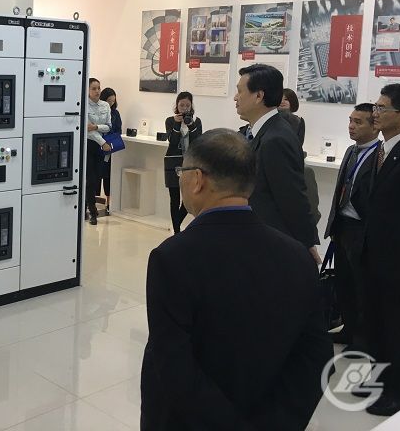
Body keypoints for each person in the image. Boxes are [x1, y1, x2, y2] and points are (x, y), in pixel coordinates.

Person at [140, 129, 332, 430]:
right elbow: (316, 355)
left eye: (182, 171)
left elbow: (172, 362)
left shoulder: (173, 258)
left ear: (197, 179)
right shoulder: (297, 256)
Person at [358, 84, 400, 416]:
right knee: (376, 323)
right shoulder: (381, 150)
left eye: (381, 108)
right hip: (374, 256)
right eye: (375, 106)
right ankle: (380, 380)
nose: (375, 113)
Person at [234, 64, 320, 262]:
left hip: (273, 244)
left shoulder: (276, 139)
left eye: (240, 91)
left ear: (259, 96)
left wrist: (307, 243)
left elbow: (292, 198)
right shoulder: (263, 132)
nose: (235, 98)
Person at [323, 103, 378, 352]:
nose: (351, 126)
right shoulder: (350, 150)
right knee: (344, 282)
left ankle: (362, 339)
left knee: (361, 286)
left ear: (374, 126)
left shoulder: (379, 156)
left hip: (361, 230)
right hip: (342, 226)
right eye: (350, 120)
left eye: (358, 122)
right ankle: (348, 328)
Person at [164, 92, 203, 233]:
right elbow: (173, 142)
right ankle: (176, 231)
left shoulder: (196, 121)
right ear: (177, 105)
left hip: (191, 163)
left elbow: (198, 141)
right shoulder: (170, 120)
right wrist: (177, 123)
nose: (185, 108)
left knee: (189, 198)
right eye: (182, 105)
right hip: (173, 161)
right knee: (174, 199)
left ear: (191, 106)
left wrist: (191, 125)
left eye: (187, 105)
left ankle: (177, 224)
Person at [86, 78, 112, 225]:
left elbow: (108, 126)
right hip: (90, 144)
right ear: (88, 90)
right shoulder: (84, 105)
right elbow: (87, 130)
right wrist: (102, 142)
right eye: (93, 88)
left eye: (98, 88)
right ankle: (92, 211)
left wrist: (96, 126)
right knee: (90, 180)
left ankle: (91, 206)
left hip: (102, 146)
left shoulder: (105, 105)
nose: (97, 91)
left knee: (97, 178)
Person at [99, 87, 122, 215]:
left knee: (108, 175)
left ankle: (109, 203)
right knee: (95, 175)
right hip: (97, 144)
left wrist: (110, 138)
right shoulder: (97, 111)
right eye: (109, 101)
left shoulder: (115, 113)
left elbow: (118, 130)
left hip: (109, 146)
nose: (111, 103)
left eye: (113, 101)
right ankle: (90, 201)